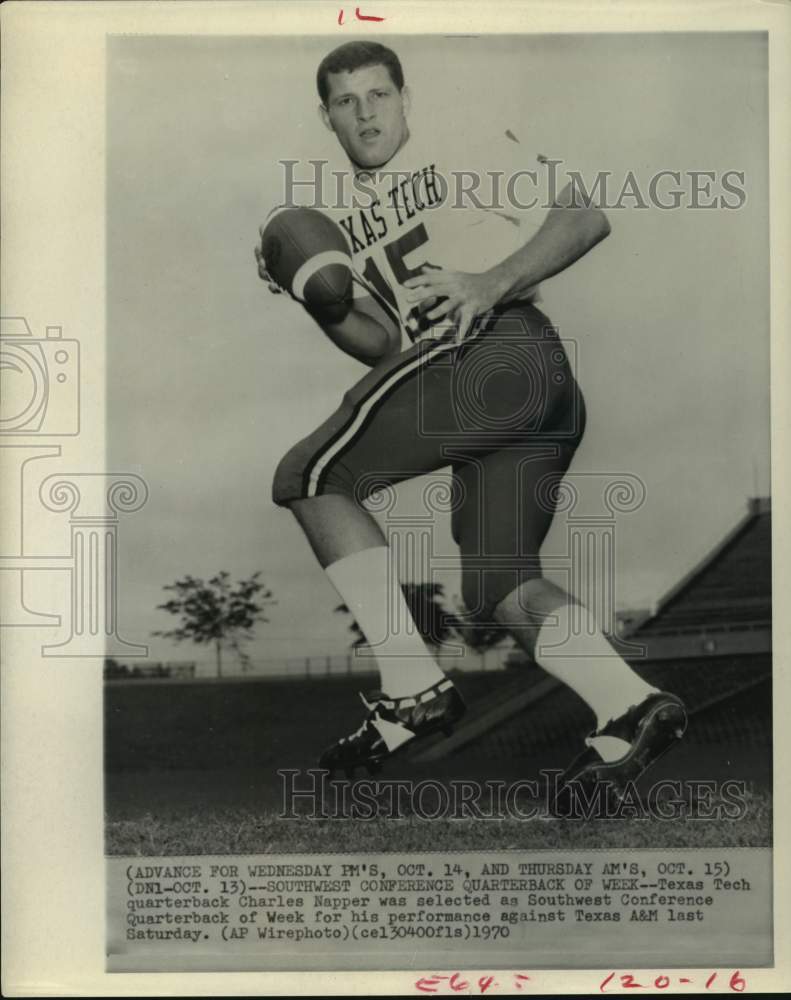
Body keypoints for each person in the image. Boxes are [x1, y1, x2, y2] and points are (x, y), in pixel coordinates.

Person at [255, 40, 686, 804]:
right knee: (499, 587)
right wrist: (317, 297)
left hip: (500, 352)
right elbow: (382, 344)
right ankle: (629, 704)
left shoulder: (463, 146)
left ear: (405, 99)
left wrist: (491, 281)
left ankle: (411, 688)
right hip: (506, 390)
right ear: (326, 117)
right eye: (346, 101)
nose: (365, 113)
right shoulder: (346, 217)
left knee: (312, 476)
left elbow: (584, 215)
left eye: (379, 94)